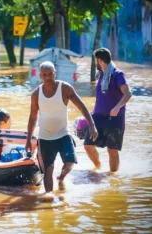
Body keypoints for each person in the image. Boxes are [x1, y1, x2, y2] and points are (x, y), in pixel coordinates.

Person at [25, 61, 98, 193]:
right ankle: (49, 198)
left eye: (50, 74)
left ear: (55, 73)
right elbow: (32, 117)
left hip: (63, 134)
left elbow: (81, 106)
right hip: (45, 137)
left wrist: (92, 125)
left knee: (70, 163)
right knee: (48, 169)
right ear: (40, 75)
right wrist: (28, 139)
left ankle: (61, 177)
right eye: (45, 75)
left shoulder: (64, 88)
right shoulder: (36, 94)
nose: (48, 77)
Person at [84, 48, 132, 172]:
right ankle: (98, 166)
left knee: (112, 150)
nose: (95, 64)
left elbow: (128, 94)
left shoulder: (117, 74)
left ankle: (112, 178)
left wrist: (117, 107)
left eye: (96, 61)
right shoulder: (101, 75)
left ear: (100, 60)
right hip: (98, 117)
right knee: (88, 145)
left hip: (114, 118)